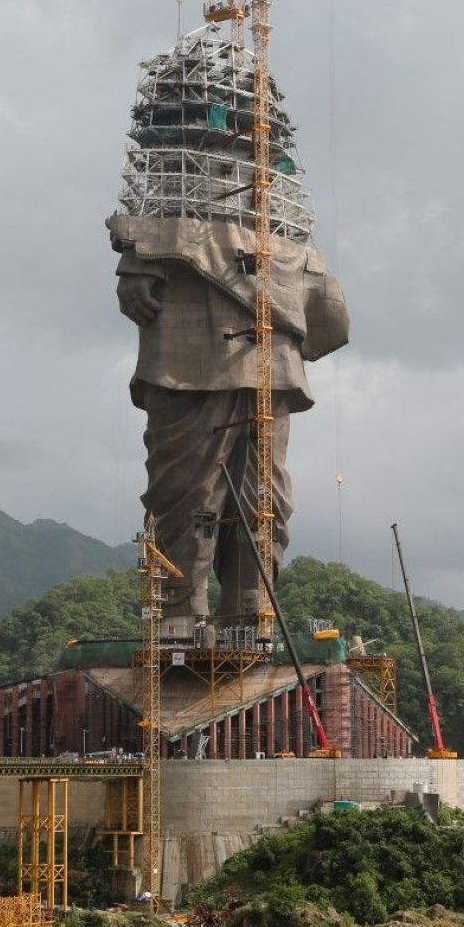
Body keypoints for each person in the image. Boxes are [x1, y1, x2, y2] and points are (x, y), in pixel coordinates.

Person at [108, 213, 349, 634]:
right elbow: (160, 194)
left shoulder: (270, 196)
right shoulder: (184, 181)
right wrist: (137, 260)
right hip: (191, 342)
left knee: (264, 497)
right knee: (187, 490)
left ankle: (251, 609)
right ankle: (183, 612)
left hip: (272, 348)